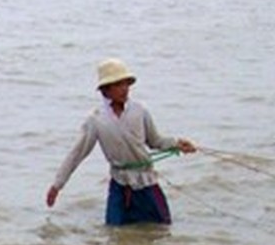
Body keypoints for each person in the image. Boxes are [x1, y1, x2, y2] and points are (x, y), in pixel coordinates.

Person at [46, 59, 197, 226]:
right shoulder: (96, 119)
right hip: (119, 184)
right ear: (106, 90)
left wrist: (177, 144)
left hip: (145, 181)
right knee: (114, 231)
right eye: (118, 85)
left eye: (126, 84)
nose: (124, 89)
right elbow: (76, 154)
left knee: (161, 230)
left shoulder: (140, 111)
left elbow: (155, 141)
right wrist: (57, 185)